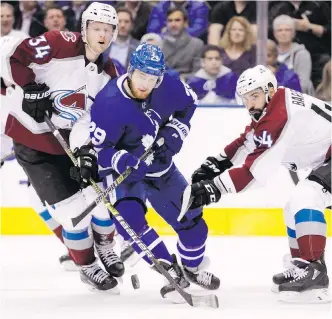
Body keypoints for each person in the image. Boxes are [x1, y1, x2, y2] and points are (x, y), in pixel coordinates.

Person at [180, 65, 331, 303]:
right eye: (245, 99)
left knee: (306, 196)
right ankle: (304, 267)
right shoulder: (273, 106)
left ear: (270, 90)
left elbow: (253, 174)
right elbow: (246, 141)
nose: (249, 104)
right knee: (294, 207)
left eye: (254, 96)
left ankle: (314, 273)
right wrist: (214, 164)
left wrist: (213, 188)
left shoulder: (280, 115)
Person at [0, 2, 124, 292]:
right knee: (73, 213)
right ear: (84, 29)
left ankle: (106, 247)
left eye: (108, 29)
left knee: (101, 196)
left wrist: (85, 152)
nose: (102, 34)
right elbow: (12, 56)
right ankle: (87, 265)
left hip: (70, 143)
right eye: (96, 28)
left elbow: (90, 118)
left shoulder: (108, 74)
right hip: (34, 142)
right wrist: (29, 86)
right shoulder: (59, 42)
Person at [89, 43, 220, 302]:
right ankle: (170, 270)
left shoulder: (169, 84)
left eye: (152, 78)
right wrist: (121, 159)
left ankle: (191, 269)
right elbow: (99, 149)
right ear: (130, 70)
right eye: (141, 76)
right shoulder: (108, 103)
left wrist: (176, 131)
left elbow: (189, 105)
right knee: (129, 220)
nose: (146, 84)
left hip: (160, 166)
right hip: (125, 173)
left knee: (194, 224)